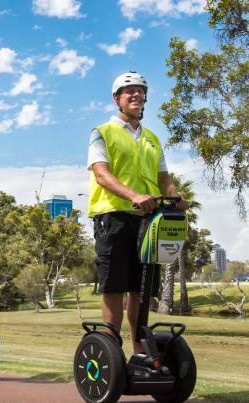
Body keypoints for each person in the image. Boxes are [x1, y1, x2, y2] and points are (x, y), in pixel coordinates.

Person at [87, 71, 189, 353]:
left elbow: (164, 178)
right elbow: (101, 175)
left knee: (141, 289)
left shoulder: (153, 139)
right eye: (128, 91)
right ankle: (111, 351)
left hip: (149, 221)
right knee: (114, 286)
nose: (136, 95)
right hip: (113, 217)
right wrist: (135, 196)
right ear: (117, 99)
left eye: (140, 91)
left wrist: (175, 197)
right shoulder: (101, 133)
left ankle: (140, 352)